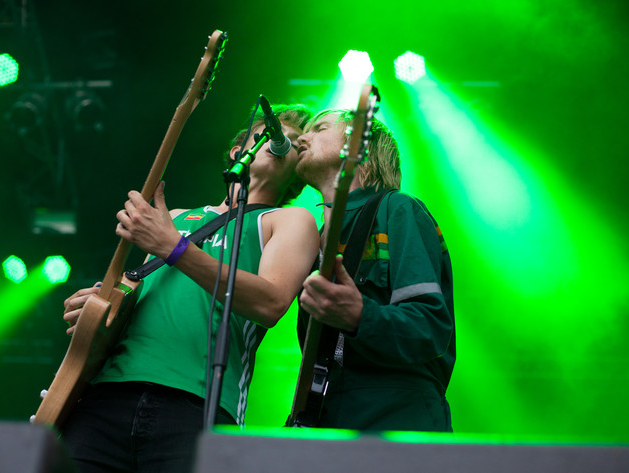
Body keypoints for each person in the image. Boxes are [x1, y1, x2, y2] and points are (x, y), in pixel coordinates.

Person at [59, 103, 319, 473]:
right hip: (106, 395)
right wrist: (98, 302)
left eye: (292, 141)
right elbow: (134, 294)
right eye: (268, 133)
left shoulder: (290, 219)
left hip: (200, 405)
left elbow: (271, 302)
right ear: (237, 151)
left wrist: (173, 247)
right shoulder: (176, 218)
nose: (279, 140)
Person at [294, 109, 455, 432]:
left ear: (356, 146)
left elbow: (430, 326)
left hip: (396, 413)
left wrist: (359, 316)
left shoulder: (397, 208)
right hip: (327, 414)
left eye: (320, 128)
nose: (302, 137)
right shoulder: (310, 238)